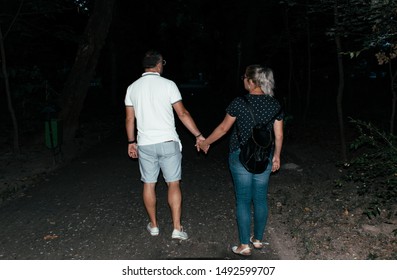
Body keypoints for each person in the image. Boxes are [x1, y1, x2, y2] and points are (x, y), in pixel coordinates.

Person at [198, 65, 284, 256]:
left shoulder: (239, 102)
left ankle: (244, 245)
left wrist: (206, 143)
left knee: (244, 200)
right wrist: (276, 156)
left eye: (245, 77)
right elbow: (278, 134)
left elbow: (223, 129)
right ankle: (258, 240)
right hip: (264, 157)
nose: (243, 79)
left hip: (240, 156)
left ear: (252, 81)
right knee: (260, 198)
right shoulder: (275, 104)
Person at [125, 50, 205, 240]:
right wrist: (198, 135)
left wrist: (131, 142)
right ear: (159, 64)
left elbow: (130, 118)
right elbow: (182, 113)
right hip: (168, 142)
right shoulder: (169, 85)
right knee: (173, 183)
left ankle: (154, 226)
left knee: (149, 184)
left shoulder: (132, 88)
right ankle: (177, 228)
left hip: (145, 144)